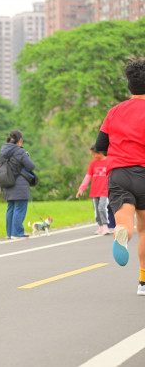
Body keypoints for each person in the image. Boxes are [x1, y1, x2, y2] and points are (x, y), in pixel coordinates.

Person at [96, 59, 145, 296]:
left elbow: (100, 145)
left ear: (129, 85)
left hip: (119, 174)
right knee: (144, 230)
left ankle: (121, 234)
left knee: (125, 222)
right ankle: (143, 282)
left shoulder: (114, 111)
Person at [0, 130, 36, 239]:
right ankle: (17, 233)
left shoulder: (3, 151)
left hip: (7, 182)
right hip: (20, 184)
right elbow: (31, 166)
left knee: (10, 208)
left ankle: (9, 233)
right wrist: (26, 156)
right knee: (20, 208)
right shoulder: (20, 151)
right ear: (19, 140)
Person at [76, 145, 111, 235]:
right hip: (95, 190)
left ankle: (105, 226)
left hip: (105, 190)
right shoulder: (93, 163)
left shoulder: (109, 161)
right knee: (97, 210)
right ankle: (100, 226)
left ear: (100, 153)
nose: (93, 156)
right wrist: (81, 189)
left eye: (94, 154)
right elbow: (88, 176)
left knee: (102, 207)